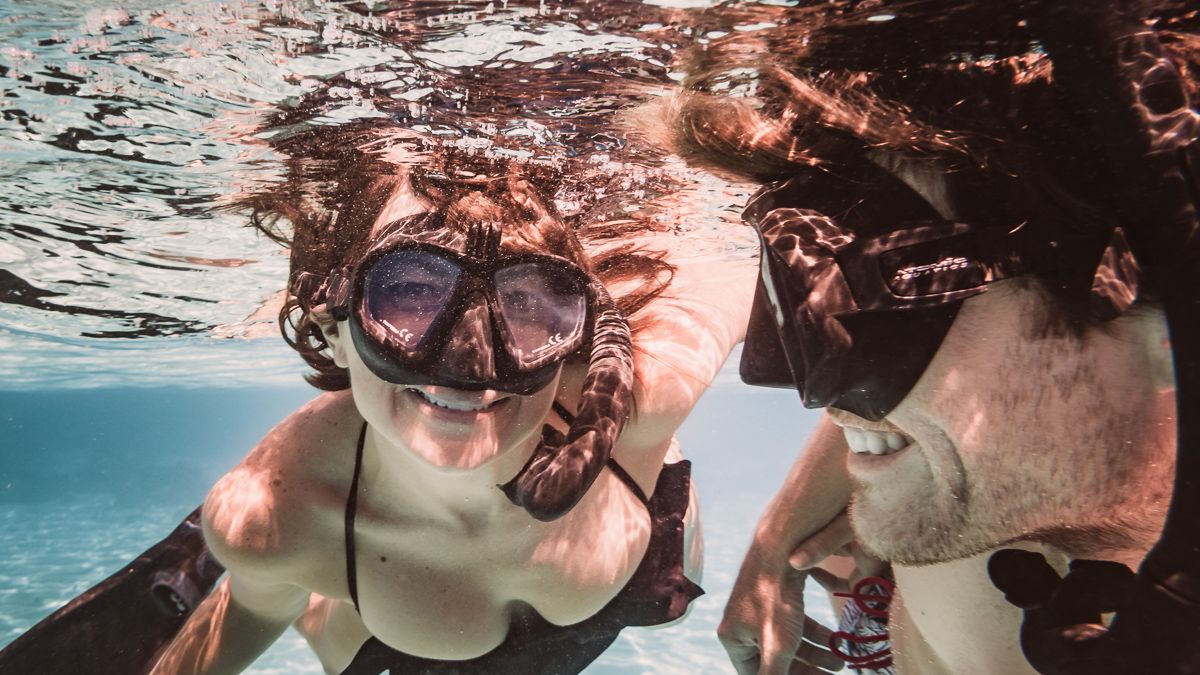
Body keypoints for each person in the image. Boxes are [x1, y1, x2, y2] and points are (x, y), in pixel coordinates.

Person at [142, 86, 755, 673]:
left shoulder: (649, 392)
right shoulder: (276, 519)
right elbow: (254, 609)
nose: (469, 363)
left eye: (526, 303)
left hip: (630, 538)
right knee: (337, 637)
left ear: (579, 329)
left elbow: (784, 277)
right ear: (334, 326)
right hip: (375, 599)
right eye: (410, 292)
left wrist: (772, 552)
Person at [668, 2, 1198, 673]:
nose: (781, 377)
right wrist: (777, 539)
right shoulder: (1013, 472)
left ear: (1137, 281)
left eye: (874, 302)